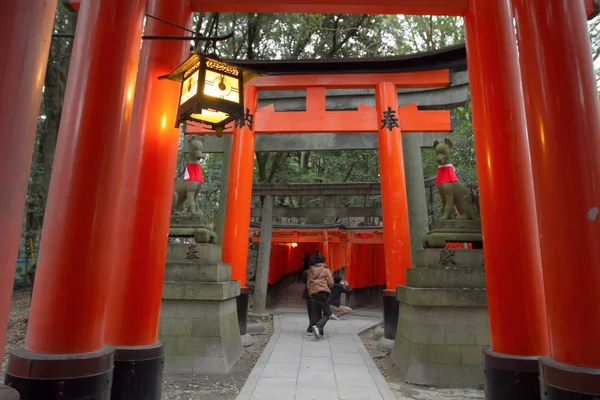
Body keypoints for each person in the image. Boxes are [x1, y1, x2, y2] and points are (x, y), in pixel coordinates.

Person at [306, 254, 334, 339]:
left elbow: (308, 285)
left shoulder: (310, 271)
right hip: (323, 294)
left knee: (316, 314)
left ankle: (319, 333)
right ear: (323, 261)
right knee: (328, 313)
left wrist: (311, 293)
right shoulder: (326, 270)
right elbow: (331, 282)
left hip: (314, 294)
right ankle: (318, 327)